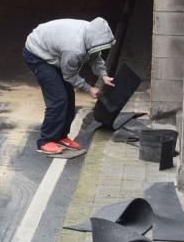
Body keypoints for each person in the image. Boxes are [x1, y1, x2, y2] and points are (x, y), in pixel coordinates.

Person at [22, 17, 116, 155]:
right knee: (59, 98)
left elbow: (95, 56)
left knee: (69, 96)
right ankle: (45, 140)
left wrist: (103, 75)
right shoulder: (74, 49)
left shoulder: (91, 32)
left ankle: (60, 136)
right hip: (37, 54)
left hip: (54, 51)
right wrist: (89, 88)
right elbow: (69, 75)